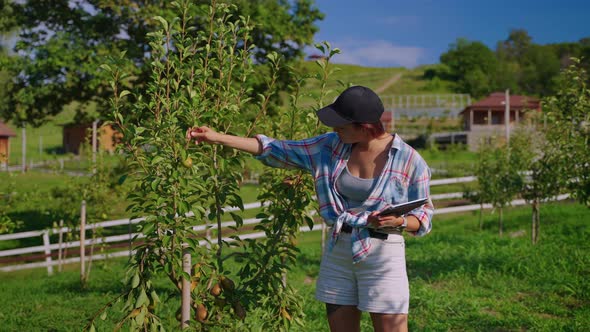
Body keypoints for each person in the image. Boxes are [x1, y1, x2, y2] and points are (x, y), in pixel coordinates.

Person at [187, 85, 434, 332]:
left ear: (364, 127)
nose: (334, 129)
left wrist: (398, 222)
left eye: (342, 125)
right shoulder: (329, 146)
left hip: (382, 253)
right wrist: (217, 137)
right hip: (340, 247)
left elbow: (423, 217)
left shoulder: (408, 160)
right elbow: (274, 148)